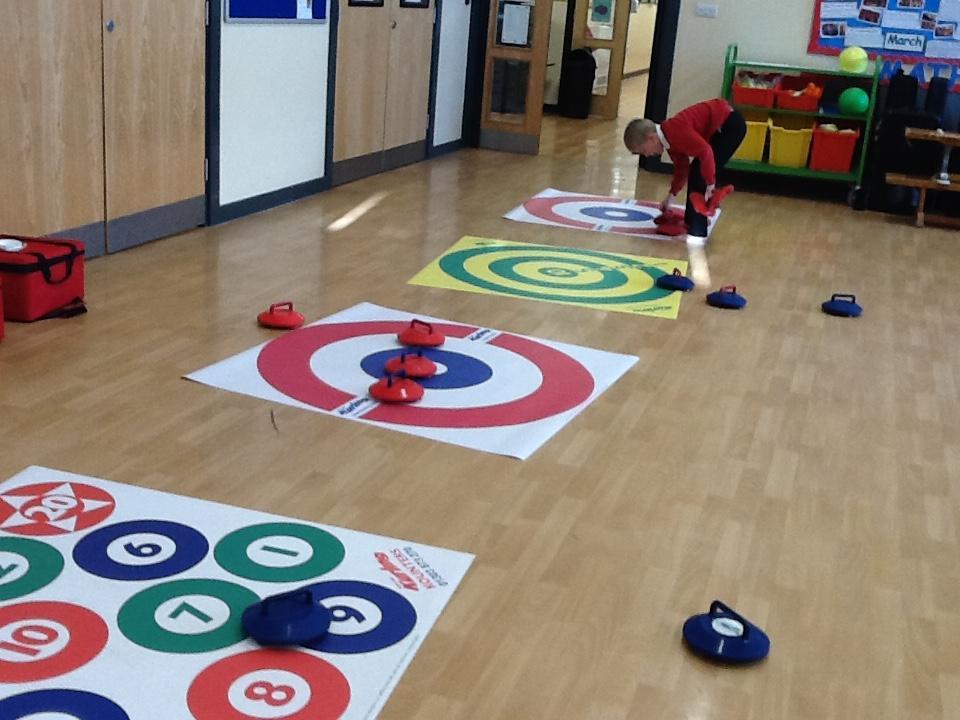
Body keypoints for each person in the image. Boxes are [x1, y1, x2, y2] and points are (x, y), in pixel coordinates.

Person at [623, 99, 746, 243]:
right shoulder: (669, 139)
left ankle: (698, 231)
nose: (647, 155)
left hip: (730, 125)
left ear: (652, 138)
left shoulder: (674, 132)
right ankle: (692, 223)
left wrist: (710, 183)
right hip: (725, 123)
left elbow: (705, 151)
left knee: (699, 172)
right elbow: (682, 168)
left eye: (644, 150)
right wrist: (671, 196)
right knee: (696, 171)